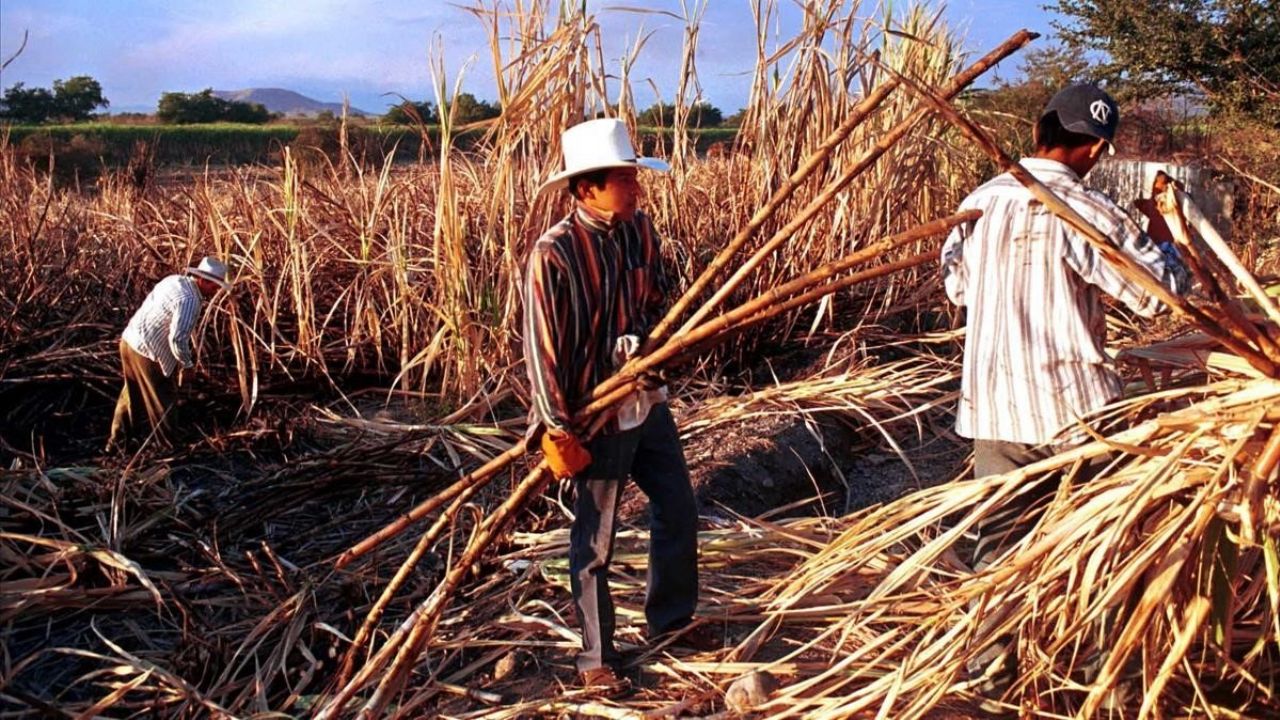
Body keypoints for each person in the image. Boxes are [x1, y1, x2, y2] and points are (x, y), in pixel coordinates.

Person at [940, 84, 1191, 571]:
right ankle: (1091, 650)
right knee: (1095, 559)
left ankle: (995, 647)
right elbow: (1160, 296)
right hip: (1078, 412)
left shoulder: (979, 202)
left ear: (1039, 130)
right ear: (1097, 148)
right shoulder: (1088, 210)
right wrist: (1165, 238)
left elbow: (959, 290)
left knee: (1000, 559)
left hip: (994, 408)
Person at [523, 118, 707, 694]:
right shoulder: (552, 255)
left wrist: (649, 343)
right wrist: (557, 428)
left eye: (634, 177)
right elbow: (542, 348)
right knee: (596, 539)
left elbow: (656, 299)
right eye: (624, 180)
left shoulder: (639, 231)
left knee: (677, 506)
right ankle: (596, 659)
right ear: (586, 189)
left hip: (643, 400)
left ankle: (671, 619)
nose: (636, 188)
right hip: (590, 414)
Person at [106, 256, 230, 451]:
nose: (216, 292)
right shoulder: (190, 300)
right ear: (203, 281)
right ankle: (169, 447)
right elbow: (177, 339)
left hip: (129, 341)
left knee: (131, 393)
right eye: (215, 287)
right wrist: (187, 365)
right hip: (148, 352)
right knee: (163, 399)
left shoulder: (173, 281)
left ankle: (117, 444)